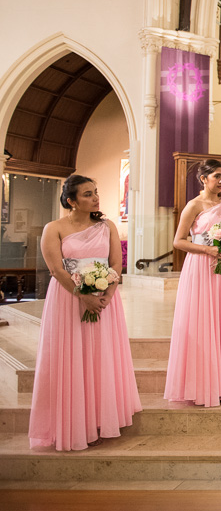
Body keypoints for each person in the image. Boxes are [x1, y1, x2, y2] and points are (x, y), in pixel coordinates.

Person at [29, 175, 141, 450]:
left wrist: (107, 296)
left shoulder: (107, 226)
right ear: (71, 201)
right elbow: (56, 269)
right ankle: (74, 423)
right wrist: (82, 297)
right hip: (68, 300)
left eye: (96, 192)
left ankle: (102, 418)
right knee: (71, 358)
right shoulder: (53, 228)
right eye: (88, 194)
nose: (96, 198)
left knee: (100, 358)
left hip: (104, 300)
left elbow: (116, 263)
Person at [164, 159, 221, 407]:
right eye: (217, 176)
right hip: (200, 267)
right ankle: (202, 385)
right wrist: (207, 250)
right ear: (203, 178)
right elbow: (178, 241)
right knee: (201, 320)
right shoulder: (193, 205)